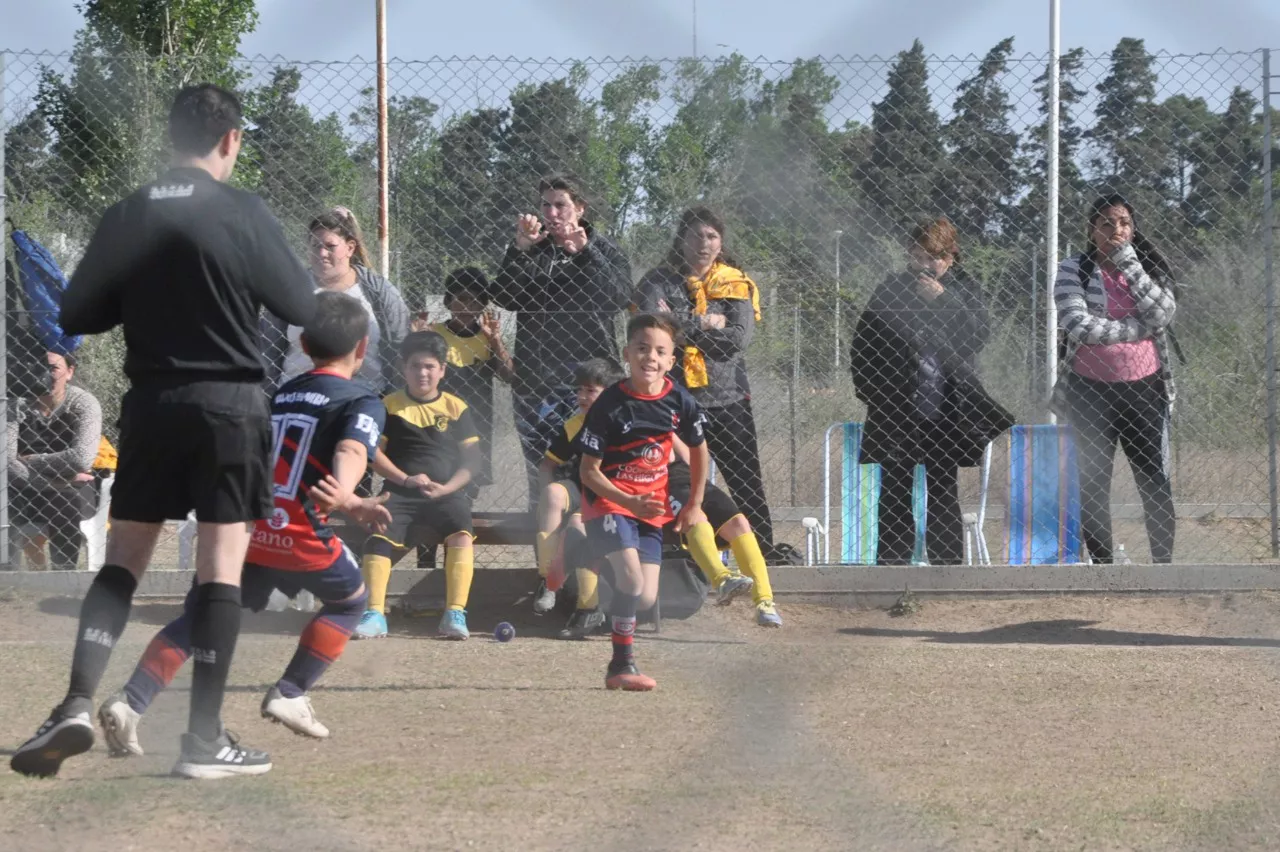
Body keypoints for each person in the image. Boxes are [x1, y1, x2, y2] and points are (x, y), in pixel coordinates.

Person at [10, 83, 317, 779]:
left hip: (152, 404)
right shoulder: (243, 211)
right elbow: (302, 307)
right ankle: (203, 741)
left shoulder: (131, 213)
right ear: (231, 141)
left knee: (122, 563)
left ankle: (77, 702)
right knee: (219, 569)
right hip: (229, 408)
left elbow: (80, 312)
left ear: (171, 139)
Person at [95, 291, 391, 753]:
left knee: (198, 619)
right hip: (299, 533)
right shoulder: (362, 399)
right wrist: (351, 495)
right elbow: (353, 450)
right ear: (363, 348)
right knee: (351, 601)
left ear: (304, 344)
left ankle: (131, 702)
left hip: (246, 530)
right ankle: (291, 693)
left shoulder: (278, 394)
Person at [849, 216, 1013, 566]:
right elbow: (863, 345)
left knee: (942, 489)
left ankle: (947, 572)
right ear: (909, 253)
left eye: (935, 257)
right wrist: (872, 393)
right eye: (919, 256)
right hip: (897, 406)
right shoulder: (891, 288)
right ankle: (891, 568)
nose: (927, 265)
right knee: (893, 488)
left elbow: (977, 335)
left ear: (951, 255)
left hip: (946, 406)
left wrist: (945, 300)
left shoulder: (965, 288)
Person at [633, 207, 788, 563]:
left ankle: (760, 553)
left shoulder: (735, 282)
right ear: (681, 240)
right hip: (674, 398)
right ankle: (679, 554)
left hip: (727, 397)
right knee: (674, 479)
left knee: (746, 480)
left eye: (711, 236)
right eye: (695, 236)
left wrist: (679, 326)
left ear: (721, 243)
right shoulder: (660, 279)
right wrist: (705, 323)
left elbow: (737, 339)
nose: (703, 244)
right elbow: (651, 326)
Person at [578, 313, 709, 692]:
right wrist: (629, 503)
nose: (650, 357)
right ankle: (622, 665)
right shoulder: (610, 405)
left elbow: (700, 452)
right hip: (609, 501)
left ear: (672, 360)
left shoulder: (678, 400)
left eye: (660, 351)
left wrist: (694, 504)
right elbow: (589, 473)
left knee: (646, 594)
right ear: (627, 353)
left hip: (649, 508)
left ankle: (589, 557)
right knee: (632, 580)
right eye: (642, 348)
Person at [491, 173, 632, 506]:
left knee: (596, 469)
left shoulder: (605, 249)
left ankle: (595, 549)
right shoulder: (533, 249)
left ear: (579, 209)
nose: (552, 213)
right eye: (545, 205)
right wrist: (520, 250)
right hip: (537, 381)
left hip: (591, 382)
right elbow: (506, 297)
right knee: (542, 474)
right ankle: (547, 551)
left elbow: (617, 298)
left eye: (561, 205)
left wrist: (585, 253)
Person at [1052, 194, 1179, 564]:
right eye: (1106, 223)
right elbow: (1077, 324)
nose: (1116, 230)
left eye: (1123, 222)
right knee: (1092, 484)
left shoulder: (1150, 264)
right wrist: (1137, 327)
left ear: (1133, 228)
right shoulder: (1073, 268)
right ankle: (1105, 568)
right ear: (1092, 230)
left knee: (1154, 481)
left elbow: (1164, 312)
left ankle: (1162, 567)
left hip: (1145, 389)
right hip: (1089, 392)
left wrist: (1130, 265)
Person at [355, 331, 482, 640]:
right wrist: (406, 479)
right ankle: (374, 614)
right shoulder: (388, 405)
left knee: (462, 532)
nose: (422, 373)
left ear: (442, 370)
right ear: (403, 368)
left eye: (429, 366)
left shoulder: (456, 408)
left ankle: (454, 613)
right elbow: (372, 453)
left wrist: (448, 488)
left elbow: (473, 462)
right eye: (415, 366)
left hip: (445, 493)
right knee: (379, 533)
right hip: (399, 491)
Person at [263, 206, 409, 395]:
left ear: (350, 248)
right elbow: (268, 347)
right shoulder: (290, 290)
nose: (322, 253)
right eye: (316, 246)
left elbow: (401, 344)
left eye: (330, 246)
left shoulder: (379, 291)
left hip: (364, 397)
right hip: (297, 397)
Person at [533, 358, 620, 624]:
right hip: (580, 487)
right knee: (553, 494)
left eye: (590, 390)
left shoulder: (624, 424)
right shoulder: (574, 425)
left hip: (613, 495)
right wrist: (543, 503)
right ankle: (547, 582)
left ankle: (587, 607)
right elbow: (548, 465)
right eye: (579, 389)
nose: (581, 396)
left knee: (577, 524)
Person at [7, 351, 103, 570]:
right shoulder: (15, 405)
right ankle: (7, 581)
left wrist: (29, 459)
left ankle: (63, 577)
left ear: (70, 372)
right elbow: (6, 464)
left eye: (53, 368)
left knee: (66, 504)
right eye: (39, 366)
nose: (45, 374)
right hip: (25, 487)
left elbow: (81, 459)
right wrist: (56, 480)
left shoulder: (83, 404)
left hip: (74, 491)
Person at [424, 266, 515, 489]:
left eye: (475, 302)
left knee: (469, 483)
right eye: (461, 299)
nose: (468, 307)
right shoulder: (435, 333)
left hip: (477, 421)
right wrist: (418, 337)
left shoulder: (487, 337)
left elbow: (508, 375)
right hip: (439, 419)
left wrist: (495, 341)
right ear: (448, 301)